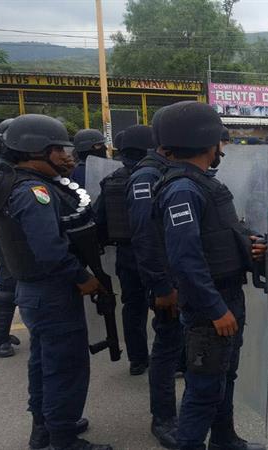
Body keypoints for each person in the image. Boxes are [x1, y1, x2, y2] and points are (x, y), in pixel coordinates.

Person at [152, 101, 267, 449]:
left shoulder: (201, 183)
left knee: (223, 376)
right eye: (220, 140)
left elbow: (215, 235)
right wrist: (215, 309)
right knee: (203, 388)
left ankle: (223, 439)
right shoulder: (183, 190)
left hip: (226, 293)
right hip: (209, 303)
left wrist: (248, 247)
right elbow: (186, 259)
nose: (223, 147)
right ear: (207, 142)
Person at [0, 114, 106, 449]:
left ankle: (46, 427)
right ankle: (63, 438)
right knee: (65, 368)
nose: (67, 156)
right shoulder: (35, 191)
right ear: (34, 151)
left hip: (36, 291)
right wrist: (81, 277)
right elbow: (49, 249)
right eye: (58, 150)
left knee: (45, 362)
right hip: (53, 291)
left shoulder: (16, 184)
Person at [126, 112, 181, 448]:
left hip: (178, 276)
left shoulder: (163, 170)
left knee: (178, 344)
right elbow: (145, 236)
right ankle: (163, 418)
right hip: (165, 280)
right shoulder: (147, 175)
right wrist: (161, 286)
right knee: (166, 347)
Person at [93, 125, 154, 377]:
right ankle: (175, 359)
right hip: (156, 254)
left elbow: (99, 222)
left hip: (127, 255)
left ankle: (138, 360)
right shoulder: (156, 176)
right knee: (168, 305)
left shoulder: (111, 180)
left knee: (133, 307)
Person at [0, 118, 21, 358]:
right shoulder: (1, 168)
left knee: (8, 285)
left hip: (7, 233)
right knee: (7, 287)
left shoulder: (2, 165)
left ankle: (0, 334)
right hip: (10, 233)